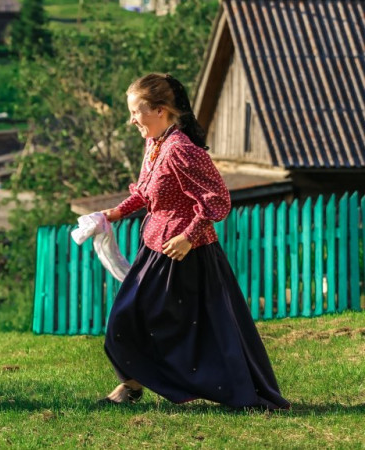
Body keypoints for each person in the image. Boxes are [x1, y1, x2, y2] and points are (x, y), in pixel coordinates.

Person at [98, 73, 290, 410]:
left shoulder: (180, 149)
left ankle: (235, 392)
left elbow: (217, 199)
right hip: (157, 245)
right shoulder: (155, 144)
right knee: (131, 319)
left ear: (160, 110)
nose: (131, 120)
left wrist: (188, 237)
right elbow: (146, 191)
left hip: (188, 253)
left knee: (181, 325)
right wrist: (117, 212)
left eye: (135, 112)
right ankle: (131, 384)